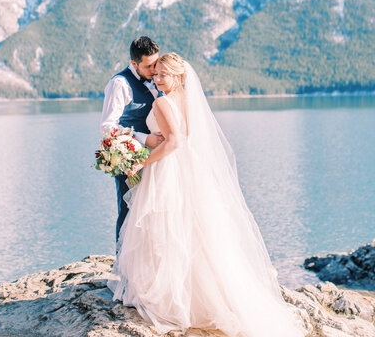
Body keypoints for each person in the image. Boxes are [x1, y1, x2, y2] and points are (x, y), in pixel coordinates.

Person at [108, 53, 305, 337]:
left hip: (167, 170)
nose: (156, 78)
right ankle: (198, 292)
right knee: (192, 230)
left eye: (163, 74)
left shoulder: (161, 102)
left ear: (178, 76)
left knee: (164, 231)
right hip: (190, 169)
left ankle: (167, 294)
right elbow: (186, 138)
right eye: (156, 73)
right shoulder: (188, 100)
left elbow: (174, 141)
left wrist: (142, 162)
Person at [100, 36, 164, 243]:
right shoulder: (119, 84)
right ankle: (123, 265)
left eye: (156, 63)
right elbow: (108, 126)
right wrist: (145, 139)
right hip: (130, 158)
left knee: (154, 211)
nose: (154, 70)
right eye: (148, 66)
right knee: (129, 211)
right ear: (134, 63)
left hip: (157, 158)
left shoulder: (158, 78)